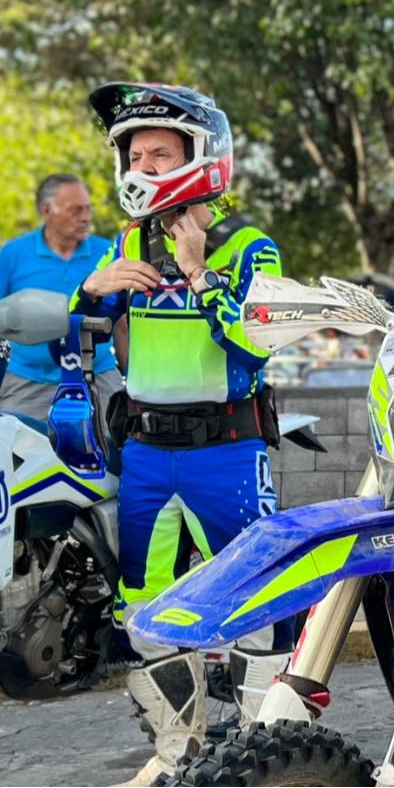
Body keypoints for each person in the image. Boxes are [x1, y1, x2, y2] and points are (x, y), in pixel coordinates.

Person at [70, 82, 287, 784]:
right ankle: (179, 751)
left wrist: (199, 274)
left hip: (226, 449)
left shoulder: (252, 245)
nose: (142, 167)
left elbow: (257, 348)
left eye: (159, 154)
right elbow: (80, 338)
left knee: (259, 599)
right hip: (146, 456)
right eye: (134, 154)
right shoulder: (125, 242)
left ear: (203, 154)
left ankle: (268, 754)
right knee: (144, 610)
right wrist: (91, 294)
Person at [0, 174, 124, 418]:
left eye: (88, 209)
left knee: (117, 447)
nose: (86, 218)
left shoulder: (107, 253)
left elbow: (122, 326)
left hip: (98, 379)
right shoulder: (13, 254)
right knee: (11, 450)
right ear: (47, 210)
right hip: (28, 384)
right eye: (76, 211)